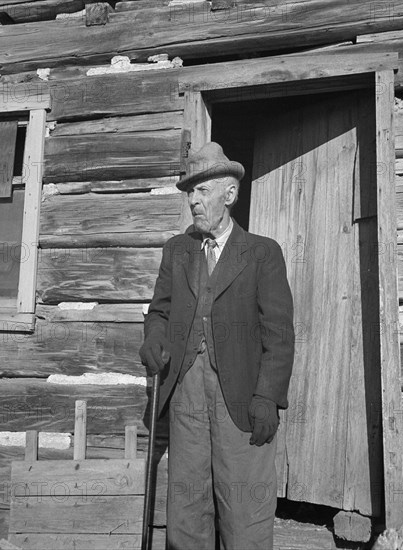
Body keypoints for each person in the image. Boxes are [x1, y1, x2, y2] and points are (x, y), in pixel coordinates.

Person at [139, 141, 295, 550]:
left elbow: (278, 333)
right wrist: (154, 338)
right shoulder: (178, 250)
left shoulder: (262, 253)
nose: (192, 200)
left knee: (244, 513)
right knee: (188, 510)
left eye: (202, 190)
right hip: (185, 393)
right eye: (189, 191)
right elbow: (158, 312)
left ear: (229, 194)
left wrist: (268, 396)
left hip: (240, 397)